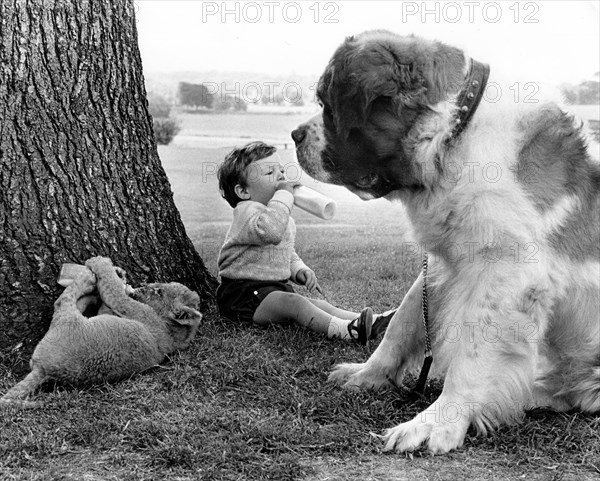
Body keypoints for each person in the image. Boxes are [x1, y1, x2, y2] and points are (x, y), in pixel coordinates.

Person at [215, 141, 395, 345]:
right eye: (269, 173)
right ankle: (344, 331)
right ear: (243, 192)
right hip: (243, 295)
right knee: (295, 303)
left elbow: (285, 251)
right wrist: (284, 195)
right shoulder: (247, 211)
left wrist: (299, 269)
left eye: (281, 170)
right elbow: (271, 232)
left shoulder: (279, 217)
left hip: (273, 290)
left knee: (317, 304)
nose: (281, 177)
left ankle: (368, 321)